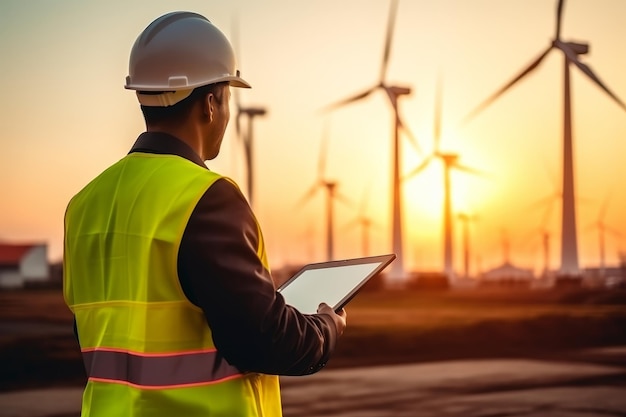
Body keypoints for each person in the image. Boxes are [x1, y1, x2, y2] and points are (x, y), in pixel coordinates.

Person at [63, 11, 346, 417]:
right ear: (211, 103)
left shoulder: (84, 205)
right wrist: (325, 329)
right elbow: (262, 340)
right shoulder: (206, 197)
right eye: (228, 97)